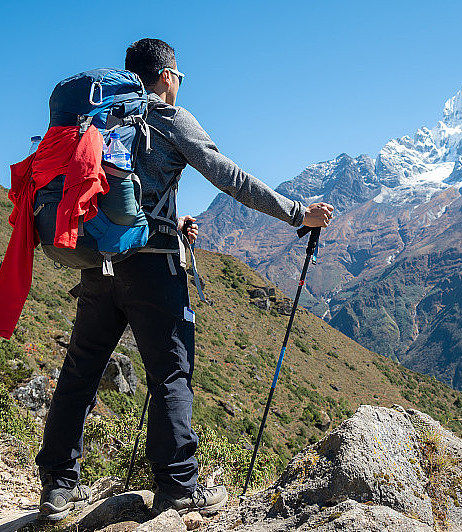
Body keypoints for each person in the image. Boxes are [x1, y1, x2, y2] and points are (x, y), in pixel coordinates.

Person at [34, 37, 334, 520]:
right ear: (168, 76)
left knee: (80, 372)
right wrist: (299, 213)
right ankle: (178, 488)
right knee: (171, 374)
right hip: (153, 270)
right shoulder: (170, 119)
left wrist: (177, 223)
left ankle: (57, 487)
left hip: (97, 264)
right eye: (178, 80)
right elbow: (230, 177)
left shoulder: (103, 117)